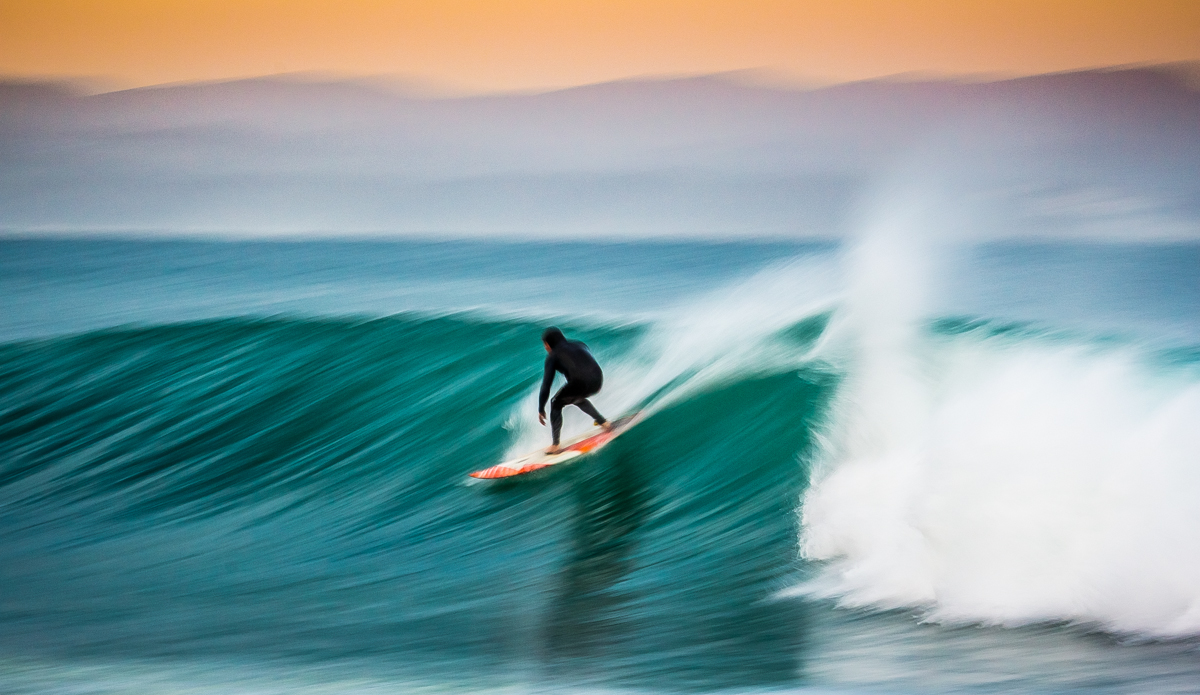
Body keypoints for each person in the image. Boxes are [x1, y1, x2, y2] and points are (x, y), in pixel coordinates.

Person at [538, 327, 611, 454]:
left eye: (545, 344)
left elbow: (546, 385)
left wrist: (541, 408)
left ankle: (555, 445)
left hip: (580, 382)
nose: (545, 347)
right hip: (598, 380)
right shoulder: (579, 344)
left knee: (556, 402)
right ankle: (604, 423)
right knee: (575, 397)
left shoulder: (552, 356)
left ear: (549, 343)